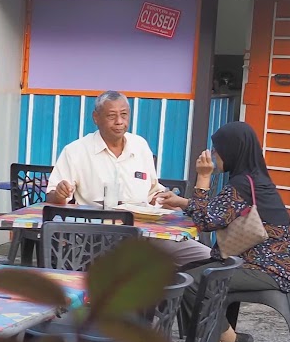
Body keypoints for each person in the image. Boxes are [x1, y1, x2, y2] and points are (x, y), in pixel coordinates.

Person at [156, 121, 290, 342]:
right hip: (271, 263)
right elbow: (218, 212)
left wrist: (203, 177)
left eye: (218, 149)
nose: (213, 155)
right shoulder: (252, 178)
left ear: (233, 150)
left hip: (269, 269)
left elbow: (207, 221)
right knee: (187, 272)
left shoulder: (242, 184)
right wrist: (182, 202)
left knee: (190, 280)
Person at [45, 90, 214, 266]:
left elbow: (152, 193)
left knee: (209, 259)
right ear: (96, 118)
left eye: (124, 115)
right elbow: (52, 198)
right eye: (112, 116)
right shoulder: (76, 151)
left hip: (148, 234)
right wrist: (60, 194)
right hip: (97, 239)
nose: (119, 122)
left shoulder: (140, 146)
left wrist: (164, 199)